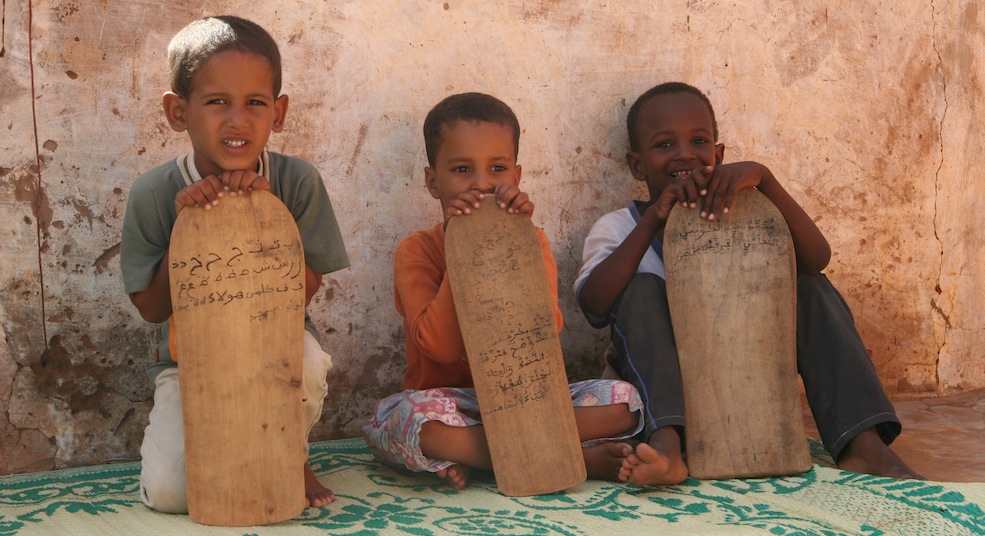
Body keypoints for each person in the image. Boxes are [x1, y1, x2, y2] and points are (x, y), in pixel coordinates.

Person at [574, 81, 922, 486]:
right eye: (665, 144)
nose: (685, 153)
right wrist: (653, 220)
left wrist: (765, 179)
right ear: (637, 165)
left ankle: (864, 445)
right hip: (664, 394)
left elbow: (817, 259)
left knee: (809, 286)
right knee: (641, 288)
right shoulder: (620, 228)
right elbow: (595, 308)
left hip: (745, 375)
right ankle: (666, 446)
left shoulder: (749, 216)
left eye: (699, 141)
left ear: (719, 155)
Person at [120, 16, 348, 512]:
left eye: (256, 103)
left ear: (279, 112)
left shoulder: (297, 182)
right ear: (178, 111)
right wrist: (189, 228)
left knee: (310, 361)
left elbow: (307, 287)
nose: (238, 120)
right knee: (170, 495)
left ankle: (290, 453)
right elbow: (152, 310)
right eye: (217, 101)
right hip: (188, 362)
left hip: (277, 347)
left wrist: (264, 219)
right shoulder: (154, 193)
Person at [362, 92, 644, 490]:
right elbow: (439, 348)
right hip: (453, 406)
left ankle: (477, 457)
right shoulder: (417, 251)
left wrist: (514, 242)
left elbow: (544, 334)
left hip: (527, 400)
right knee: (410, 423)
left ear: (516, 177)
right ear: (433, 182)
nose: (482, 184)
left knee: (624, 403)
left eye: (497, 168)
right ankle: (563, 455)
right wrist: (465, 248)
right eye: (462, 169)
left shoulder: (532, 240)